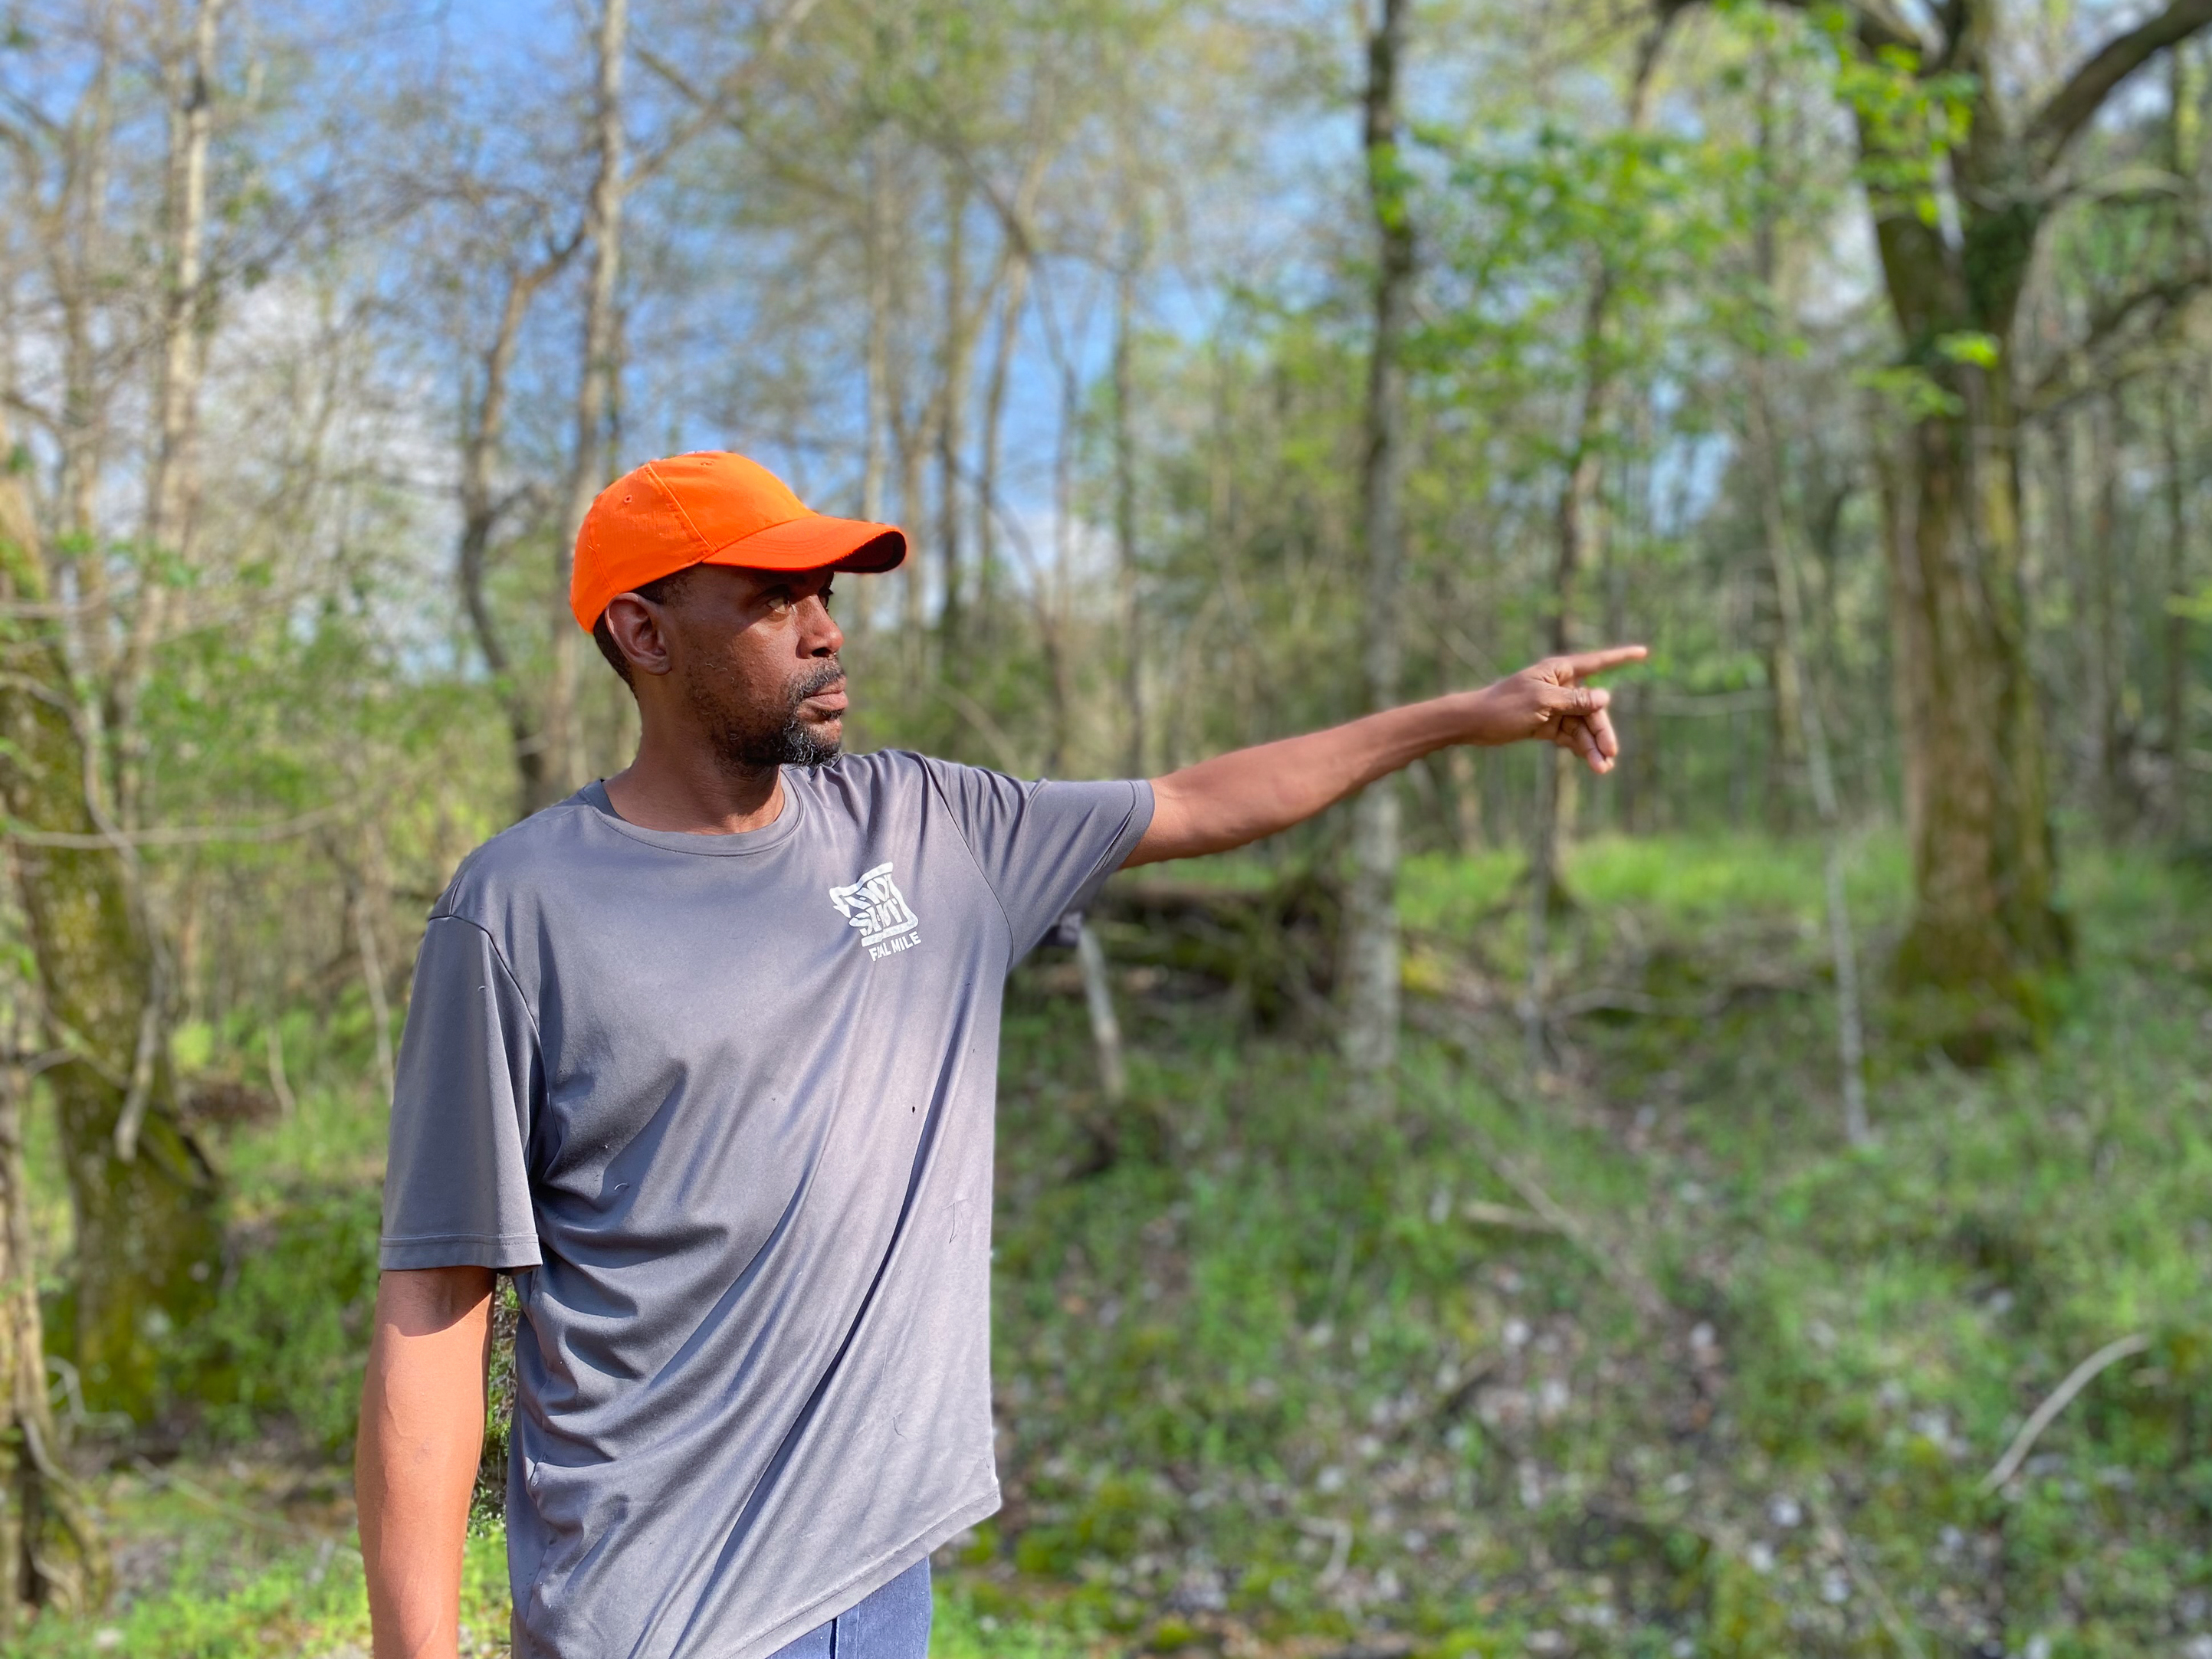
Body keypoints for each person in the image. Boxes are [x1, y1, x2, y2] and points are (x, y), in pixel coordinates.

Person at [356, 450, 1643, 1659]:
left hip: (879, 1578)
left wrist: (1463, 716)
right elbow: (434, 1306)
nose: (825, 630)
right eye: (773, 599)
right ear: (643, 633)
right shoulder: (522, 909)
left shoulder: (929, 828)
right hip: (667, 1610)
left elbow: (1195, 801)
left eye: (826, 594)